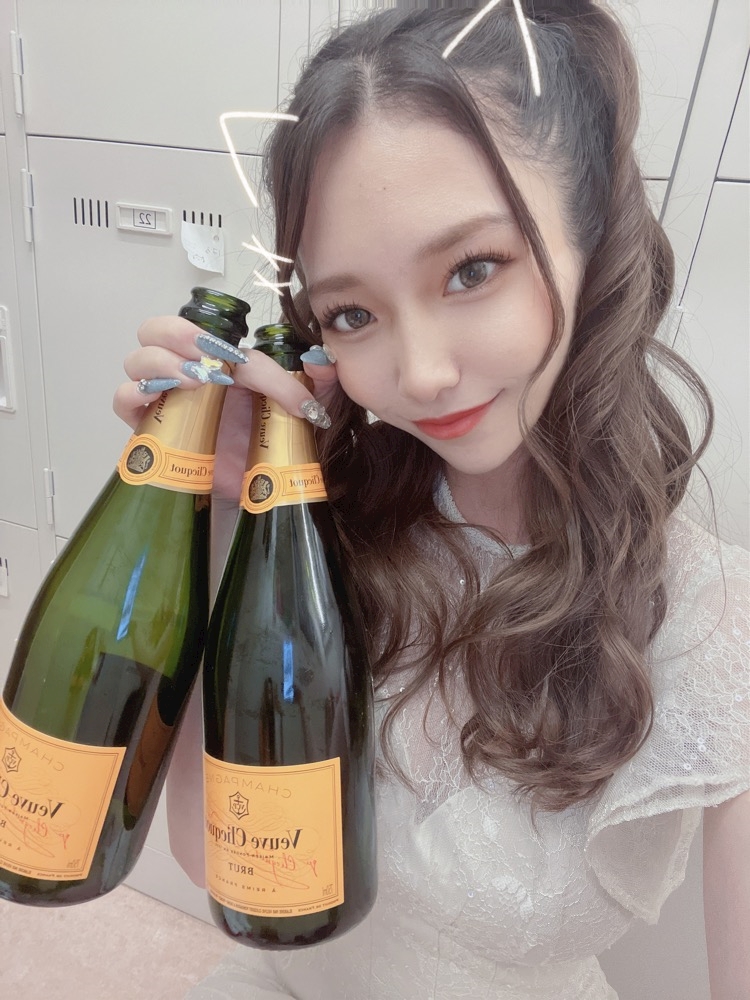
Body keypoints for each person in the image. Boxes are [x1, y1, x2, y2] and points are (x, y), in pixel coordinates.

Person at [113, 3, 749, 998]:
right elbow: (219, 860)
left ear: (593, 235)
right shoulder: (322, 534)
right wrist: (225, 513)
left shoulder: (711, 617)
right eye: (352, 312)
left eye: (471, 269)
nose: (420, 372)